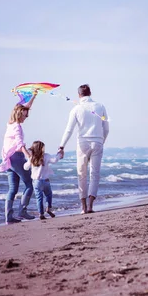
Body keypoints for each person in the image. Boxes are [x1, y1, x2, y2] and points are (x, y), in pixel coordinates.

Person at [58, 84, 109, 214]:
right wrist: (101, 141)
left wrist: (62, 146)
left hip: (82, 143)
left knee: (82, 175)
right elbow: (106, 128)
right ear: (90, 93)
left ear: (79, 95)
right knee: (95, 174)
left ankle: (83, 207)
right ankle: (91, 205)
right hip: (97, 142)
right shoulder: (100, 106)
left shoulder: (76, 109)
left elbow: (69, 130)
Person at [0, 90, 38, 224]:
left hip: (8, 160)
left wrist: (34, 96)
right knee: (30, 185)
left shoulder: (9, 124)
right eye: (25, 115)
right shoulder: (17, 127)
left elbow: (25, 106)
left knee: (13, 189)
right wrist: (28, 156)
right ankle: (22, 211)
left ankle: (9, 217)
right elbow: (20, 144)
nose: (27, 117)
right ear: (20, 114)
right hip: (17, 157)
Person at [24, 140, 63, 220]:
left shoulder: (32, 158)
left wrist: (28, 160)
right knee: (48, 195)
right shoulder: (46, 156)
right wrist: (59, 153)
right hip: (46, 181)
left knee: (39, 198)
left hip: (36, 182)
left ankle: (41, 213)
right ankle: (48, 209)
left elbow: (25, 167)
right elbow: (55, 160)